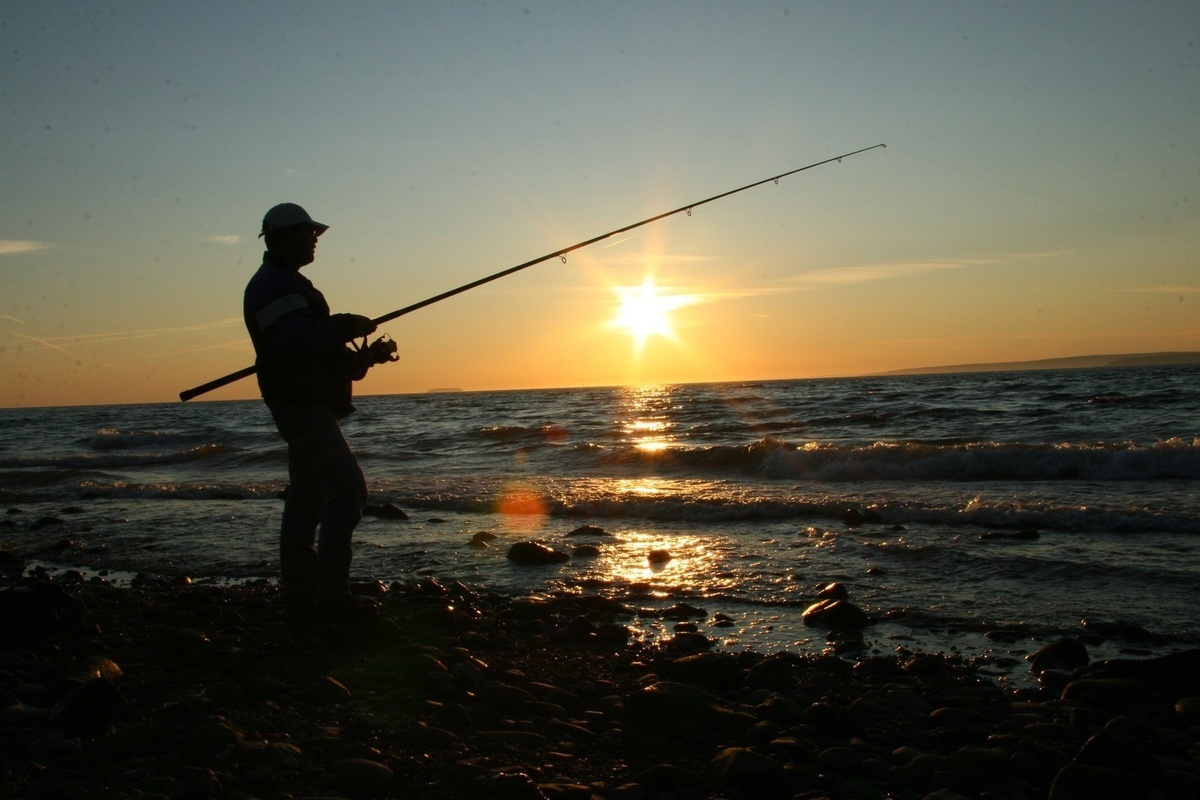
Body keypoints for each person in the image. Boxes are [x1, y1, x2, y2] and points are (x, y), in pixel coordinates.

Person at [243, 202, 396, 622]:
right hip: (300, 405)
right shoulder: (273, 285)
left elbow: (313, 352)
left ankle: (302, 594)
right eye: (308, 233)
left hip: (308, 401)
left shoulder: (286, 283)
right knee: (348, 491)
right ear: (284, 237)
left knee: (306, 499)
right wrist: (346, 323)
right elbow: (297, 340)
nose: (315, 240)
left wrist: (366, 358)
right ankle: (331, 596)